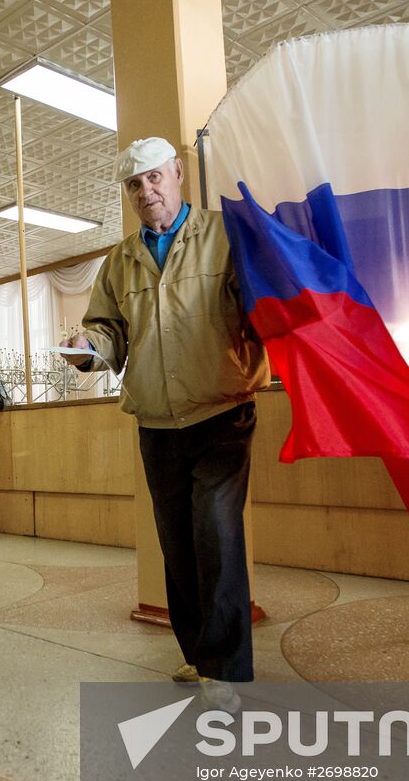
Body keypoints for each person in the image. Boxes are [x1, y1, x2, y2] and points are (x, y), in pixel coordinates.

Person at [61, 137, 270, 710]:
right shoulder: (119, 260)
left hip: (222, 412)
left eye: (155, 178)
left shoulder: (224, 236)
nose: (146, 192)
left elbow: (263, 306)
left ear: (178, 174)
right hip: (156, 423)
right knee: (177, 546)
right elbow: (107, 331)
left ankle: (227, 670)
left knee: (216, 536)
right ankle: (199, 655)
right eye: (134, 184)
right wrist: (87, 345)